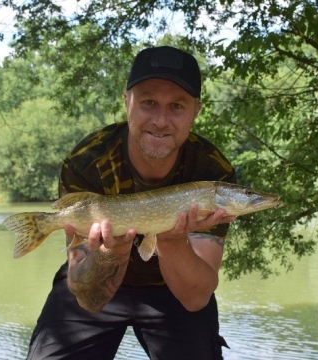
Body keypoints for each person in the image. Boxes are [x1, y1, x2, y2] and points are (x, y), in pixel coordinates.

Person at [27, 45, 237, 360]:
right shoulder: (88, 160)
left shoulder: (212, 172)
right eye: (149, 102)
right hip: (97, 272)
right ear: (127, 102)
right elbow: (88, 297)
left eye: (177, 106)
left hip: (174, 286)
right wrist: (110, 253)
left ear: (196, 110)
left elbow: (195, 298)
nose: (161, 120)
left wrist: (171, 238)